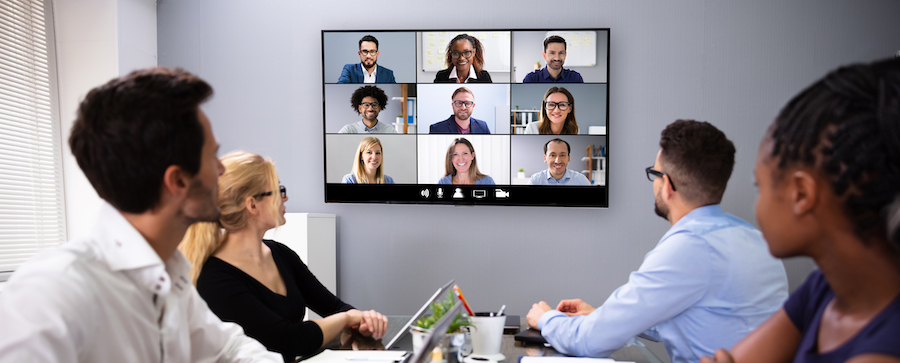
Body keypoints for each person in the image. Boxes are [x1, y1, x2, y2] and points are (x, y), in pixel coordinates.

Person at [0, 68, 282, 362]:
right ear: (178, 182)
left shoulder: (168, 278)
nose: (221, 170)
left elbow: (229, 348)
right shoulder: (53, 292)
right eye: (213, 156)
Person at [526, 120, 789, 363]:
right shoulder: (755, 240)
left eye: (654, 173)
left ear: (668, 186)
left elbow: (588, 342)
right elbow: (702, 318)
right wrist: (602, 316)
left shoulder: (690, 247)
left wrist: (547, 318)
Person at [701, 59, 900, 363]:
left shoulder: (885, 348)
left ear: (801, 194)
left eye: (760, 186)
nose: (757, 203)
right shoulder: (824, 290)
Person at [180, 151, 388, 362]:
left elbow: (333, 307)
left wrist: (362, 322)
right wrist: (346, 319)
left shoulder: (281, 254)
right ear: (252, 205)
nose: (285, 197)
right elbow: (288, 339)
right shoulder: (213, 278)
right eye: (278, 191)